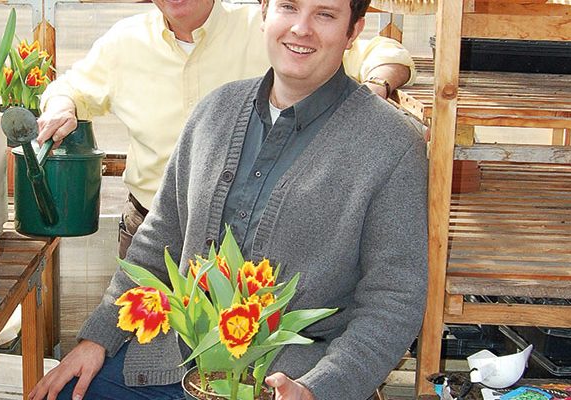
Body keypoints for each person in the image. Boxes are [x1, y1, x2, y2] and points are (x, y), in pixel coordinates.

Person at [28, 0, 428, 397]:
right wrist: (97, 338)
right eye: (288, 7)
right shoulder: (215, 111)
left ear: (353, 30)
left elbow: (394, 299)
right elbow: (157, 240)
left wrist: (321, 388)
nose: (301, 28)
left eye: (325, 14)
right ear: (265, 13)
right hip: (175, 362)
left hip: (291, 377)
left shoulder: (390, 144)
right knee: (67, 392)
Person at [35, 0, 415, 258]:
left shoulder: (270, 24)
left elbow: (385, 54)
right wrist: (61, 105)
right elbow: (71, 88)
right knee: (138, 356)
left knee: (234, 365)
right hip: (151, 233)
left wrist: (377, 87)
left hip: (249, 240)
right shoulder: (123, 41)